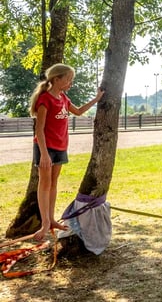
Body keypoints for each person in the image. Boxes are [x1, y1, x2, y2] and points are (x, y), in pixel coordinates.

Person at [30, 63, 104, 241]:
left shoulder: (63, 97)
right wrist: (44, 154)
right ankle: (45, 223)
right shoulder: (45, 99)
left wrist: (96, 99)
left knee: (54, 183)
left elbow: (78, 111)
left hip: (61, 146)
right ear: (57, 79)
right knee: (45, 184)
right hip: (45, 148)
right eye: (68, 79)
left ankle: (52, 219)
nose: (71, 83)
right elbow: (39, 130)